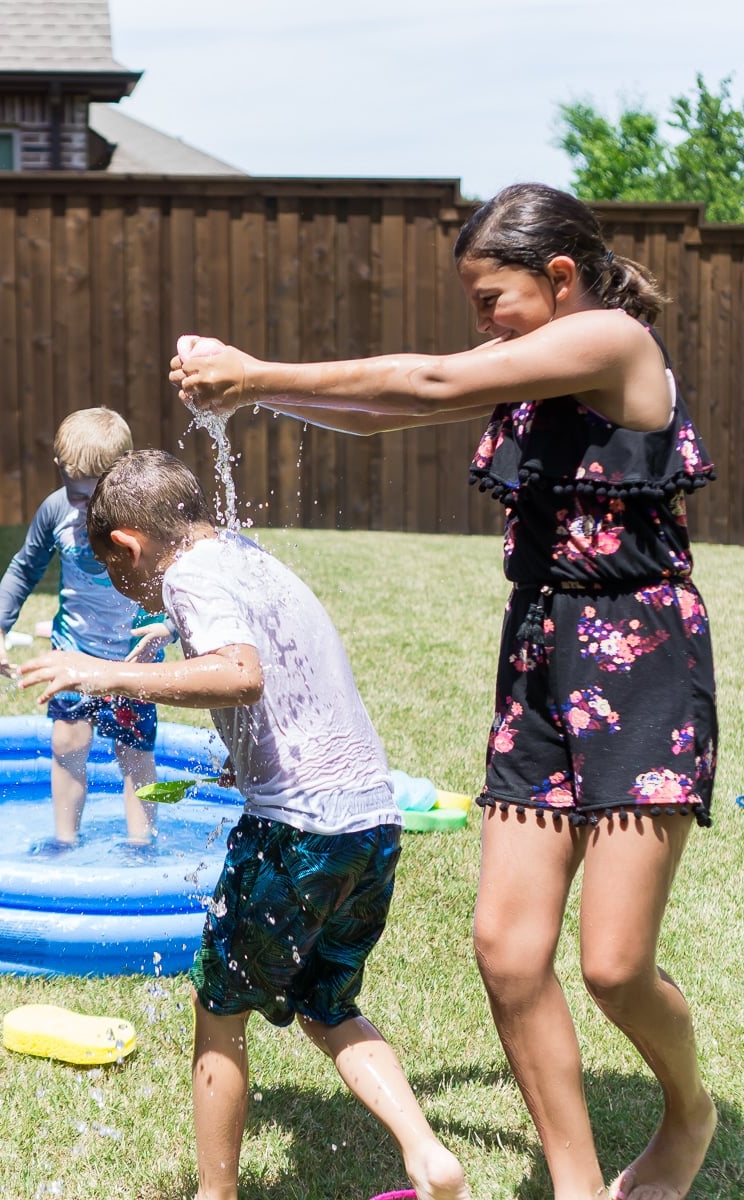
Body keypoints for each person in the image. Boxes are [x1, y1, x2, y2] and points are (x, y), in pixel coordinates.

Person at [166, 182, 718, 1200]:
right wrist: (254, 396)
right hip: (539, 665)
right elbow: (385, 409)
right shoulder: (529, 361)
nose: (478, 321)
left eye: (489, 299)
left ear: (558, 278)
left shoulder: (610, 342)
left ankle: (687, 1109)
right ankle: (575, 1187)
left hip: (637, 667)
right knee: (508, 956)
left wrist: (258, 368)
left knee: (610, 966)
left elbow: (420, 380)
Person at [18, 448, 471, 1200]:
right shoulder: (244, 556)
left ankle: (215, 1194)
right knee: (328, 1002)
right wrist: (234, 739)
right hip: (370, 825)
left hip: (297, 833)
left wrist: (107, 672)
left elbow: (241, 672)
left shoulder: (189, 576)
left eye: (116, 571)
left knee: (218, 1003)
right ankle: (428, 1155)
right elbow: (284, 676)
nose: (129, 593)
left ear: (128, 543)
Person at [0, 407, 166, 850]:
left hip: (132, 657)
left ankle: (140, 846)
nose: (85, 509)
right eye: (77, 496)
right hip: (74, 650)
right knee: (67, 742)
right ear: (61, 472)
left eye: (94, 499)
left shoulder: (148, 515)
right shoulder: (56, 510)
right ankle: (65, 842)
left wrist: (166, 628)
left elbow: (176, 579)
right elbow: (24, 567)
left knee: (134, 752)